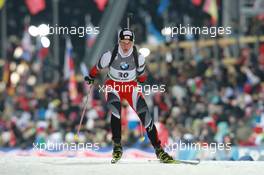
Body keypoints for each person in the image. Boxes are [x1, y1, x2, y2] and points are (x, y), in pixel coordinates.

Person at [84, 28, 174, 163]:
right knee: (116, 113)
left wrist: (141, 80)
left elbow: (142, 76)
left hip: (130, 87)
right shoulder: (110, 55)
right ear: (119, 42)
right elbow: (96, 68)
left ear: (133, 42)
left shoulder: (139, 57)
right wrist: (90, 77)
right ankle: (117, 146)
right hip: (113, 85)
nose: (126, 45)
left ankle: (159, 150)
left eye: (128, 42)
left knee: (147, 118)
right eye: (123, 42)